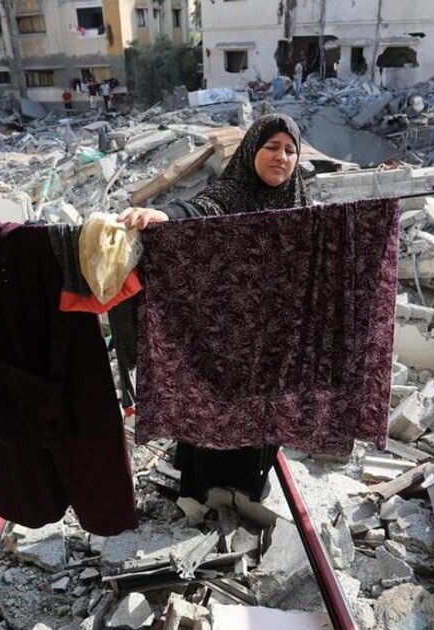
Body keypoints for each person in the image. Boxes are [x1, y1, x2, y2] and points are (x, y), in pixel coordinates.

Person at [117, 114, 307, 502]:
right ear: (252, 148)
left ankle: (249, 489)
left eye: (290, 150)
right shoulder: (231, 193)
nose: (281, 157)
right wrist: (163, 216)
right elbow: (201, 209)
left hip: (272, 341)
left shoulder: (302, 204)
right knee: (215, 414)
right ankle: (202, 493)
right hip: (224, 336)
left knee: (263, 420)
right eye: (271, 147)